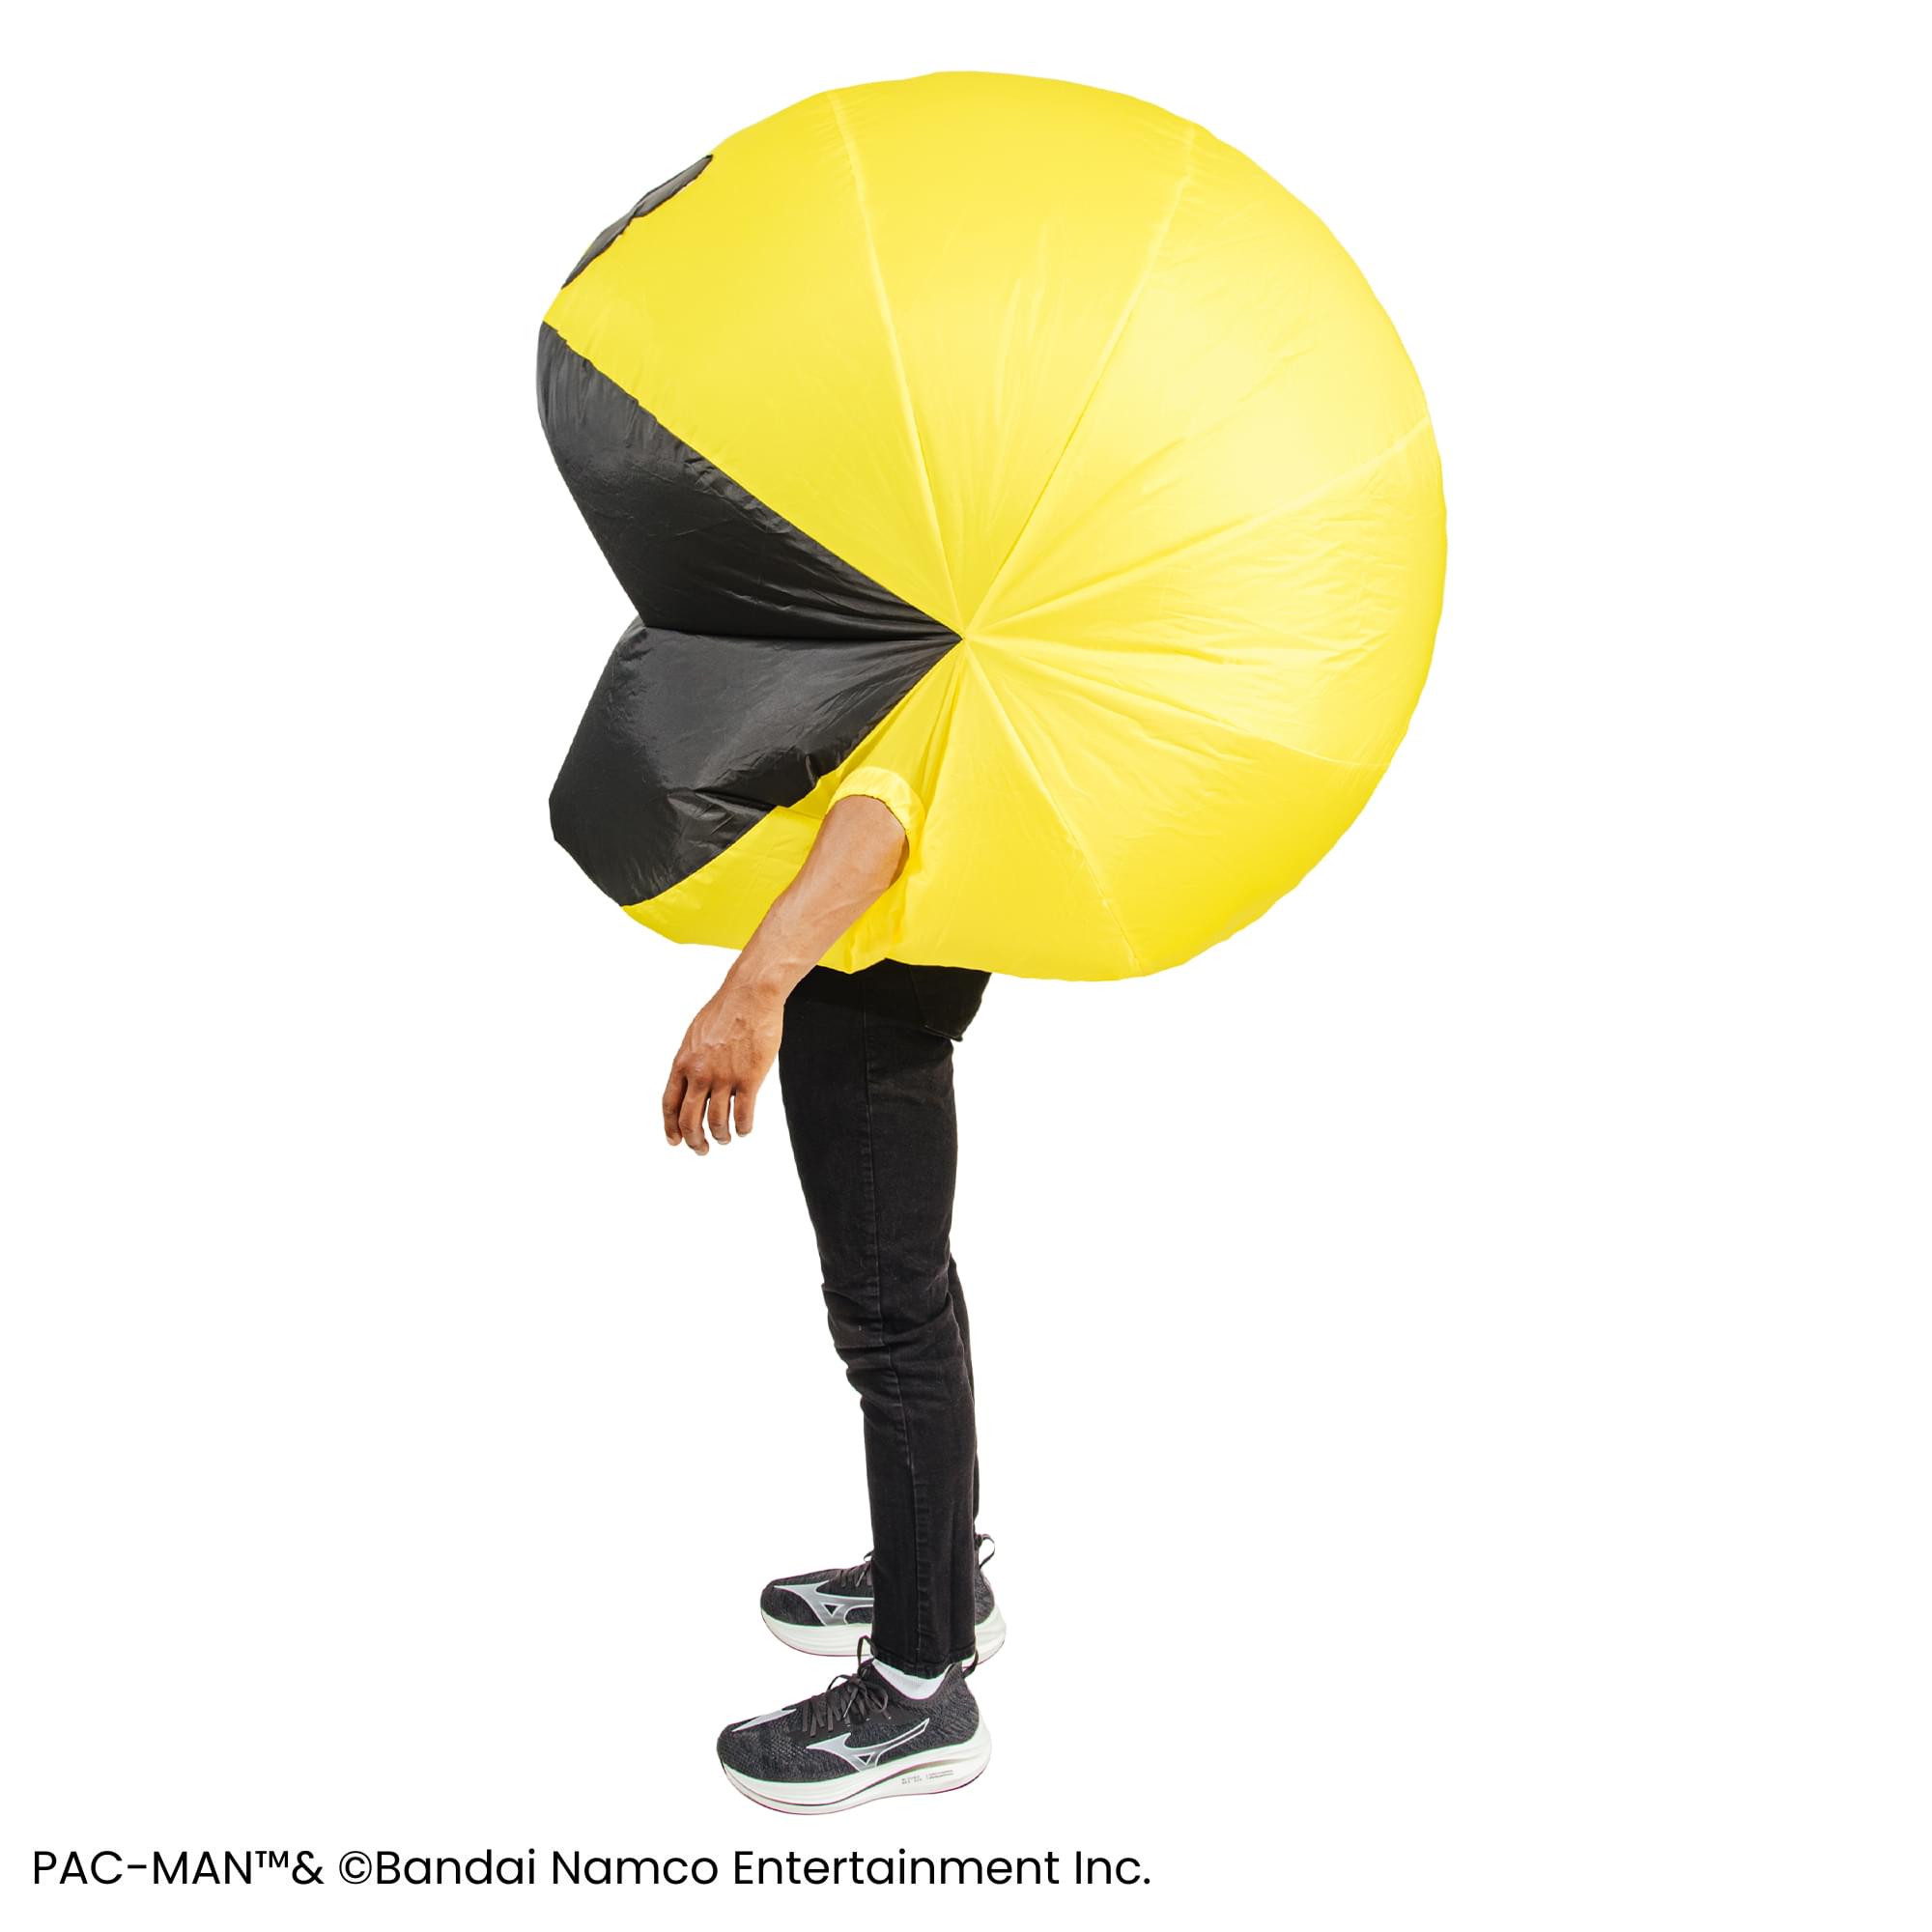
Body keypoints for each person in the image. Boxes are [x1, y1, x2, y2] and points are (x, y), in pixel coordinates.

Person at [661, 795, 1000, 1814]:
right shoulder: (964, 689)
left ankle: (915, 1687)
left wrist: (750, 988)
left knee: (891, 1325)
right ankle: (940, 1581)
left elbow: (880, 815)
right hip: (894, 977)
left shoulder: (924, 683)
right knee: (914, 1296)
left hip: (867, 991)